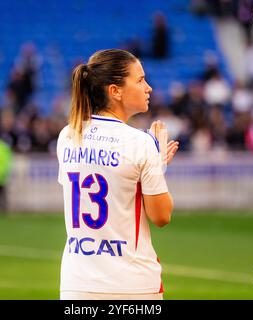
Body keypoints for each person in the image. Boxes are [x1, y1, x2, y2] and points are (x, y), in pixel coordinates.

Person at [56, 49, 179, 300]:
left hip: (76, 283)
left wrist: (153, 167)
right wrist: (158, 167)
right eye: (140, 80)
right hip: (130, 284)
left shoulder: (68, 135)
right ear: (115, 91)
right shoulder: (139, 142)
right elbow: (161, 215)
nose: (149, 88)